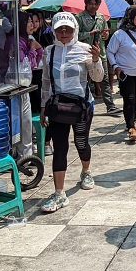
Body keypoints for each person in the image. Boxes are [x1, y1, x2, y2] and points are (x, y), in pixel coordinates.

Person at [40, 12, 105, 213]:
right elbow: (45, 82)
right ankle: (59, 193)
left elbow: (98, 77)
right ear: (54, 31)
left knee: (81, 141)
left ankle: (86, 171)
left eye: (68, 29)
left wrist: (96, 60)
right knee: (60, 148)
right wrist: (43, 107)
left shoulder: (85, 49)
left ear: (75, 30)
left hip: (82, 106)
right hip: (58, 107)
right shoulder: (49, 52)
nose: (64, 32)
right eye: (60, 29)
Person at [77, 0, 122, 115]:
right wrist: (89, 34)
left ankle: (110, 106)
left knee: (104, 80)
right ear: (86, 4)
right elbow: (76, 36)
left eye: (96, 4)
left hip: (100, 53)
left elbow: (106, 34)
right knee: (84, 81)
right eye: (91, 3)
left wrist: (105, 35)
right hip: (85, 54)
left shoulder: (101, 17)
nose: (93, 6)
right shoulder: (79, 17)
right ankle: (82, 105)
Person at [108, 5, 136, 142]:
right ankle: (130, 127)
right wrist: (116, 66)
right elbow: (110, 51)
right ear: (129, 17)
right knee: (129, 99)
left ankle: (133, 121)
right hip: (125, 73)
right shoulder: (120, 34)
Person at [7, 11, 42, 158]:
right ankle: (24, 156)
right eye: (28, 22)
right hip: (15, 88)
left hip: (22, 88)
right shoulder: (16, 42)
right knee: (22, 125)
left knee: (25, 125)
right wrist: (33, 50)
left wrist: (36, 49)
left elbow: (35, 63)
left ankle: (25, 155)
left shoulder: (25, 40)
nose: (32, 25)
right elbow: (23, 66)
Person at [29, 10, 54, 154]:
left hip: (42, 74)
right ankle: (35, 138)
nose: (34, 24)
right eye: (30, 22)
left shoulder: (47, 34)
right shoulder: (25, 37)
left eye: (36, 21)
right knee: (34, 109)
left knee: (45, 107)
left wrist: (39, 48)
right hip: (29, 76)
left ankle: (46, 142)